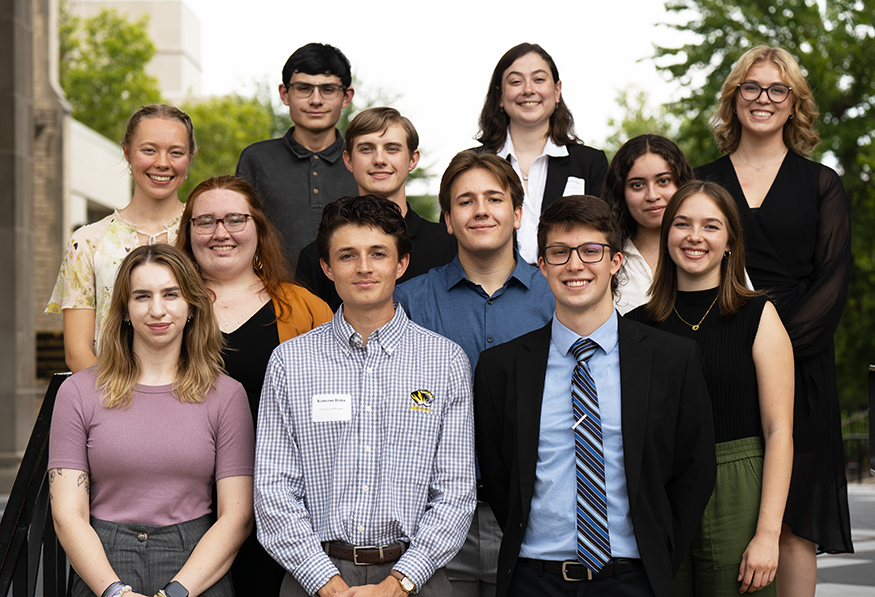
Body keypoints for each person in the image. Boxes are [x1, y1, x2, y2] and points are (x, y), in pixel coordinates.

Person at [474, 195, 716, 597]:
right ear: (542, 266)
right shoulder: (501, 368)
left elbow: (695, 469)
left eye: (591, 251)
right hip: (534, 580)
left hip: (635, 579)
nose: (575, 265)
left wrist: (660, 552)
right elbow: (500, 478)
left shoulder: (672, 359)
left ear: (615, 262)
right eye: (559, 252)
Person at [255, 195, 475, 597]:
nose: (364, 268)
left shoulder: (445, 362)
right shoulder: (290, 362)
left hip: (417, 578)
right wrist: (326, 582)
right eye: (347, 255)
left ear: (401, 264)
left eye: (378, 253)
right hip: (313, 577)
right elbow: (274, 489)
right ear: (326, 267)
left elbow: (456, 491)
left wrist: (398, 583)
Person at [695, 45, 853, 596]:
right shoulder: (703, 179)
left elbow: (832, 283)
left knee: (792, 524)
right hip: (716, 358)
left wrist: (767, 346)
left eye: (776, 90)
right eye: (751, 88)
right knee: (720, 510)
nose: (763, 99)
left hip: (801, 364)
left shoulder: (820, 183)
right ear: (734, 99)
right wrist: (729, 346)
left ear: (794, 105)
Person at [48, 244, 254, 597]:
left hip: (196, 567)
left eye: (171, 294)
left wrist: (176, 592)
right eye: (142, 296)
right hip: (102, 566)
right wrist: (115, 591)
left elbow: (237, 517)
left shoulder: (227, 395)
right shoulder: (77, 393)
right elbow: (68, 515)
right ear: (125, 311)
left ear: (191, 305)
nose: (157, 310)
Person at [393, 151, 554, 597]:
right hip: (433, 519)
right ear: (446, 219)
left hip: (534, 514)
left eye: (494, 199)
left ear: (518, 213)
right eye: (465, 201)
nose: (481, 210)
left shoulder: (557, 299)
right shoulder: (407, 304)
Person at [626, 181, 794, 596]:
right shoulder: (633, 325)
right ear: (666, 237)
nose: (695, 237)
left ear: (730, 241)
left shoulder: (759, 316)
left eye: (711, 226)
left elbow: (779, 433)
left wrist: (768, 535)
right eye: (682, 224)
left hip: (736, 483)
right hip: (659, 490)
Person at [176, 175, 332, 596]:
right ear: (187, 232)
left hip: (280, 504)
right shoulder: (166, 307)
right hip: (182, 505)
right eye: (204, 221)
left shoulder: (306, 308)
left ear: (258, 228)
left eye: (235, 219)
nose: (220, 232)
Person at [46, 104, 196, 373]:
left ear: (190, 158)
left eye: (176, 152)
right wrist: (120, 406)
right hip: (112, 401)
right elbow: (77, 351)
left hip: (195, 396)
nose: (162, 163)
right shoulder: (88, 242)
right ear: (127, 152)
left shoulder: (206, 234)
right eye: (149, 150)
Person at [296, 107, 457, 310]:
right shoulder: (319, 255)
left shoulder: (451, 246)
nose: (379, 160)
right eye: (366, 149)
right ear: (348, 160)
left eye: (392, 149)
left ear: (413, 159)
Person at [473, 43, 608, 264]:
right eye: (516, 81)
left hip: (567, 289)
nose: (528, 89)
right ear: (499, 95)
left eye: (539, 79)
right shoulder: (473, 166)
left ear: (556, 91)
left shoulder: (590, 163)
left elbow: (603, 239)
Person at [235, 43, 359, 263]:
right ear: (285, 94)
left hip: (352, 294)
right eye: (304, 88)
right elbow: (238, 234)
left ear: (346, 97)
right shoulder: (256, 159)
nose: (316, 100)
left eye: (328, 90)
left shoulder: (363, 161)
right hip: (274, 293)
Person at [601, 134, 695, 313]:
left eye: (663, 181)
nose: (652, 195)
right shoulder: (603, 258)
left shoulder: (708, 248)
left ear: (681, 184)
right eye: (637, 185)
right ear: (621, 193)